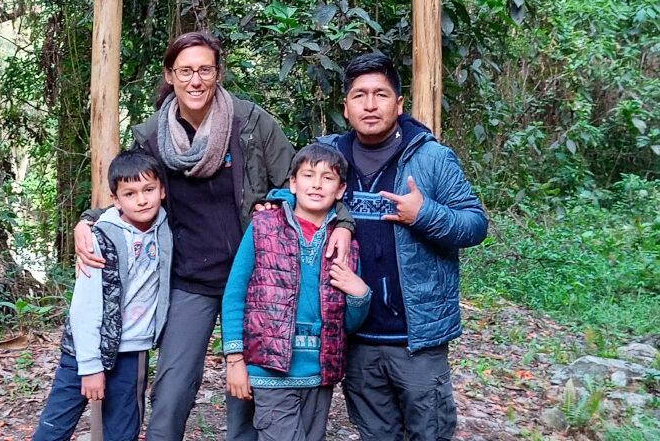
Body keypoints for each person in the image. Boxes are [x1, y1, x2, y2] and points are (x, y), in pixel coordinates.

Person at [74, 31, 354, 441]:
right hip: (190, 278)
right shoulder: (151, 135)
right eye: (185, 71)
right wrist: (87, 219)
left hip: (259, 278)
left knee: (250, 389)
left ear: (218, 73)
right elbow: (133, 194)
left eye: (205, 69)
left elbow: (302, 180)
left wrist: (342, 220)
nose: (195, 80)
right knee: (171, 389)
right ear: (170, 75)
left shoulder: (251, 124)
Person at [319, 54, 489, 441]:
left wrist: (424, 213)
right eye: (359, 95)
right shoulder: (327, 157)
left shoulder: (431, 158)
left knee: (430, 432)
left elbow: (475, 224)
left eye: (381, 94)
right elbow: (292, 203)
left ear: (399, 104)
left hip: (416, 338)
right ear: (345, 108)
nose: (370, 104)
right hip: (354, 335)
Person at [221, 143, 371, 441]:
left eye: (327, 178)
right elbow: (235, 295)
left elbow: (348, 325)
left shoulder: (345, 242)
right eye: (308, 175)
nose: (316, 184)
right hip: (269, 370)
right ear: (292, 182)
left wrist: (359, 295)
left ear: (341, 190)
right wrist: (235, 361)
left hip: (319, 373)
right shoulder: (264, 225)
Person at [33, 151, 172, 441]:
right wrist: (90, 366)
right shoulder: (100, 238)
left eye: (148, 190)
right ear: (115, 199)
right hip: (84, 353)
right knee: (53, 431)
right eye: (130, 193)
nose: (142, 200)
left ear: (162, 190)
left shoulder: (167, 228)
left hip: (132, 352)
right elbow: (85, 307)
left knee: (123, 433)